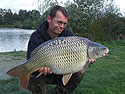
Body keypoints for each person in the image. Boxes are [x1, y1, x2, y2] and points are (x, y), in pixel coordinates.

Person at [27, 5, 85, 94]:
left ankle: (61, 92)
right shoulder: (36, 36)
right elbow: (30, 59)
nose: (62, 26)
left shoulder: (68, 35)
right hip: (43, 73)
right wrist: (40, 68)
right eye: (59, 22)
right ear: (49, 19)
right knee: (32, 77)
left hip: (62, 71)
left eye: (64, 23)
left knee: (79, 73)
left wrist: (84, 59)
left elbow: (75, 54)